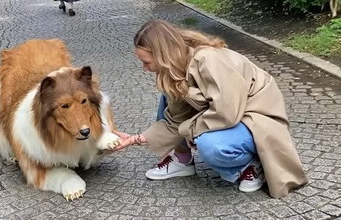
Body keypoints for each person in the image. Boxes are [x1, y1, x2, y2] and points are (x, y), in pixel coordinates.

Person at [113, 19, 308, 198]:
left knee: (210, 144)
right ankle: (182, 160)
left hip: (256, 117)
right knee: (168, 96)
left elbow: (227, 112)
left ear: (163, 55)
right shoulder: (175, 70)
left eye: (146, 62)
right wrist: (134, 139)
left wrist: (191, 130)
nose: (144, 69)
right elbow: (174, 120)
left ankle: (251, 165)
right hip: (231, 114)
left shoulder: (208, 59)